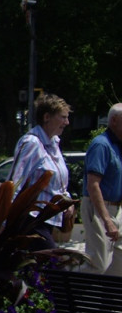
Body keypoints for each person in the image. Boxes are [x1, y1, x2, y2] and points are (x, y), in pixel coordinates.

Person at [9, 93, 74, 251]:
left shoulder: (54, 143)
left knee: (40, 271)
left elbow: (59, 182)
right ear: (47, 117)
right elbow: (15, 182)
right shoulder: (32, 143)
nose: (67, 122)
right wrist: (5, 223)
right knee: (53, 266)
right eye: (63, 117)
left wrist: (68, 201)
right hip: (31, 220)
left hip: (47, 220)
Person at [80, 103, 122, 275]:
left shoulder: (118, 146)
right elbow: (93, 185)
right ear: (114, 120)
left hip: (116, 207)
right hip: (99, 207)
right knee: (98, 263)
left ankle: (109, 300)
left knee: (118, 262)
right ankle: (64, 283)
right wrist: (107, 220)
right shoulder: (101, 145)